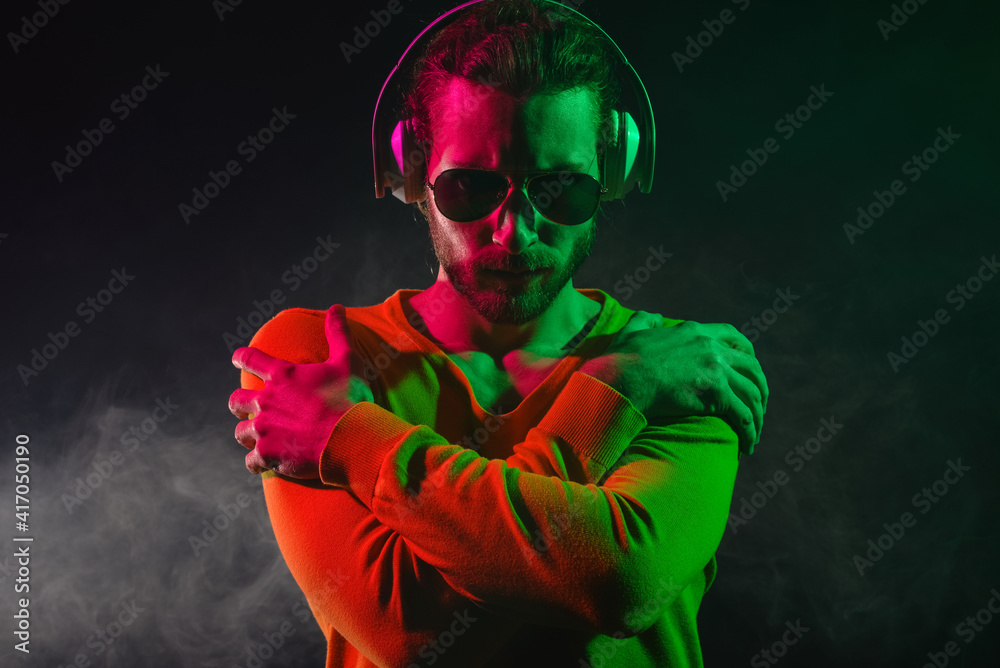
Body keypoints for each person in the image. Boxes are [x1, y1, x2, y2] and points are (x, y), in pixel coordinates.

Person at [227, 1, 768, 666]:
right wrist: (618, 394)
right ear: (413, 174)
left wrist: (351, 440)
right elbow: (410, 636)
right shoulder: (313, 353)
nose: (516, 232)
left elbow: (617, 582)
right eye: (471, 188)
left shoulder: (684, 363)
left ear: (615, 173)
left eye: (561, 188)